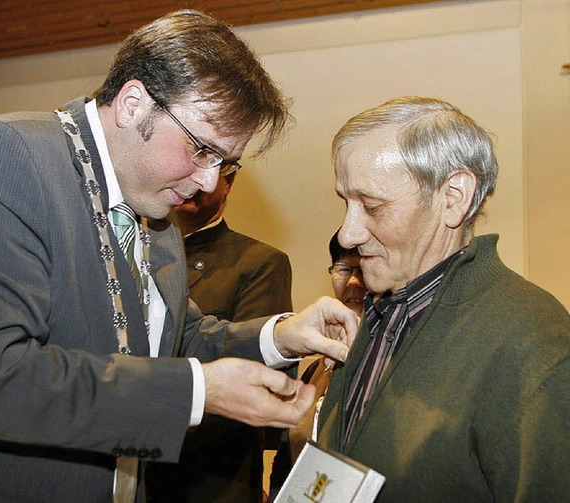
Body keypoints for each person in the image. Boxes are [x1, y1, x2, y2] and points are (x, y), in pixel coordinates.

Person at [0, 10, 358, 503]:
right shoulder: (6, 156)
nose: (209, 182)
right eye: (201, 149)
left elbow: (174, 338)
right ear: (133, 103)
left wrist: (280, 336)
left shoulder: (150, 203)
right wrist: (196, 392)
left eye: (225, 162)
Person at [317, 96, 570, 501]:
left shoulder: (534, 342)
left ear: (454, 196)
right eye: (346, 203)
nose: (346, 234)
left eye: (371, 205)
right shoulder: (386, 308)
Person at [146, 171, 294, 502]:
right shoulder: (143, 253)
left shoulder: (259, 262)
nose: (196, 182)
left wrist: (143, 422)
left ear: (229, 181)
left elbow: (249, 380)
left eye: (216, 171)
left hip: (208, 480)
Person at [269, 231, 366, 499]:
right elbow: (287, 457)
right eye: (344, 269)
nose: (354, 281)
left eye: (364, 268)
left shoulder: (392, 362)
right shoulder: (316, 369)